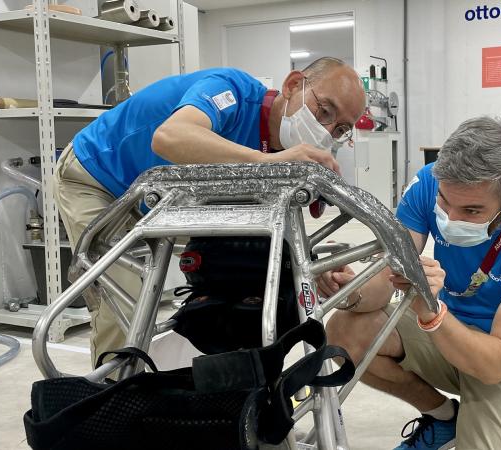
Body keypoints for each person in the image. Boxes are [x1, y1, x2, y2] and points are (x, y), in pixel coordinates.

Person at [53, 57, 366, 365]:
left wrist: (309, 266)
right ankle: (113, 402)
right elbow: (169, 137)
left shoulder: (284, 152)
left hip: (158, 199)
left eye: (339, 130)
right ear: (293, 84)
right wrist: (267, 163)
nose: (325, 131)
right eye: (324, 111)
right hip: (99, 177)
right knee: (123, 299)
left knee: (259, 287)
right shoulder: (232, 91)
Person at [320, 116, 501, 449]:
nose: (451, 219)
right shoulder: (430, 182)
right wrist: (348, 290)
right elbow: (385, 280)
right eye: (445, 203)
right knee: (346, 332)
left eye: (472, 211)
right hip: (449, 333)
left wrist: (431, 312)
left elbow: (494, 364)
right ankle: (446, 419)